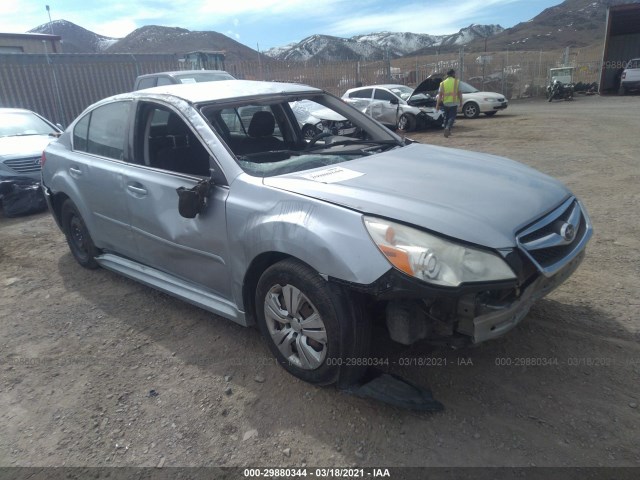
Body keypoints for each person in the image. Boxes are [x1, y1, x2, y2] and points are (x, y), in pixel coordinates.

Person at [435, 69, 463, 138]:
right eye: (454, 74)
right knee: (452, 117)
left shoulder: (442, 83)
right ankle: (447, 128)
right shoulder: (457, 82)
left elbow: (440, 95)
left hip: (445, 103)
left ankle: (447, 131)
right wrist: (461, 102)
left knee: (446, 117)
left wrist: (437, 105)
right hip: (453, 103)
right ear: (453, 74)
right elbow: (459, 93)